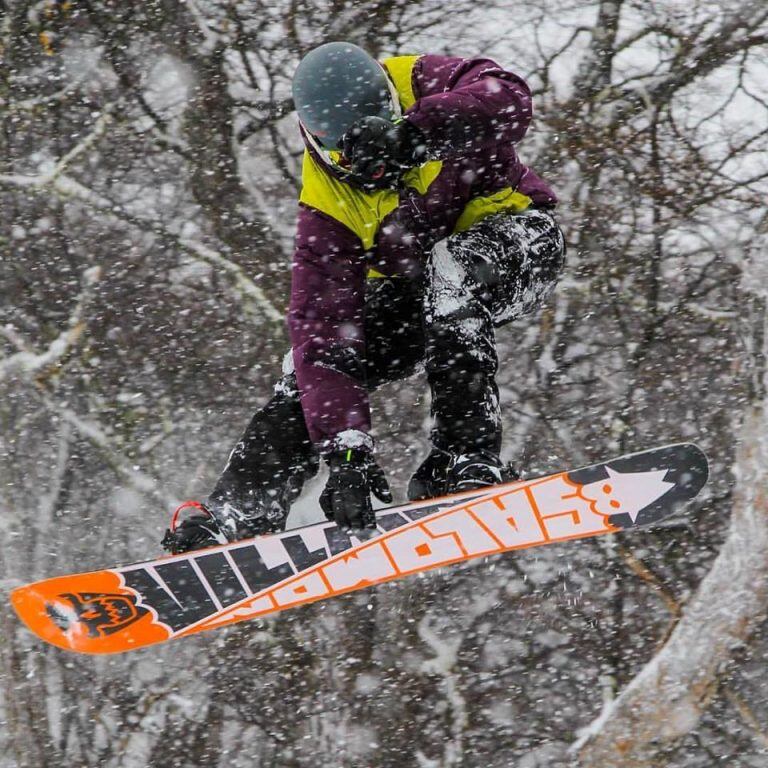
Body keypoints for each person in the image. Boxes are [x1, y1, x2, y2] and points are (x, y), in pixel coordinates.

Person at [162, 42, 566, 554]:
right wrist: (347, 454)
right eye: (356, 162)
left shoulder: (425, 81)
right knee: (307, 372)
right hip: (421, 290)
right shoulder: (328, 212)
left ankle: (466, 454)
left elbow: (510, 99)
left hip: (520, 240)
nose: (375, 174)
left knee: (451, 272)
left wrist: (418, 134)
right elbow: (324, 338)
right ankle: (239, 508)